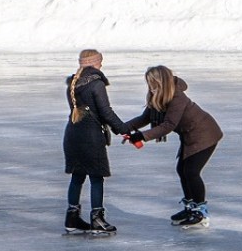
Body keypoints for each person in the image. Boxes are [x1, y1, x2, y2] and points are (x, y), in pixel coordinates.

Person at [124, 65, 223, 228]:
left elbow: (168, 125)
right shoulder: (158, 96)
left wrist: (141, 136)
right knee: (182, 170)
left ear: (160, 82)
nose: (150, 86)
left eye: (152, 82)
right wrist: (121, 127)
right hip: (189, 135)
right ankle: (191, 207)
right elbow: (145, 118)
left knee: (191, 171)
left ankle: (201, 212)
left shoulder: (177, 97)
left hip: (205, 134)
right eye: (148, 82)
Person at [62, 49, 130, 234]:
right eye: (101, 61)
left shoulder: (73, 83)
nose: (102, 64)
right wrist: (123, 129)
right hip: (90, 137)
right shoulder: (95, 83)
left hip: (72, 134)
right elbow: (105, 112)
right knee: (96, 177)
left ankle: (72, 218)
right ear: (95, 63)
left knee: (77, 176)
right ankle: (97, 220)